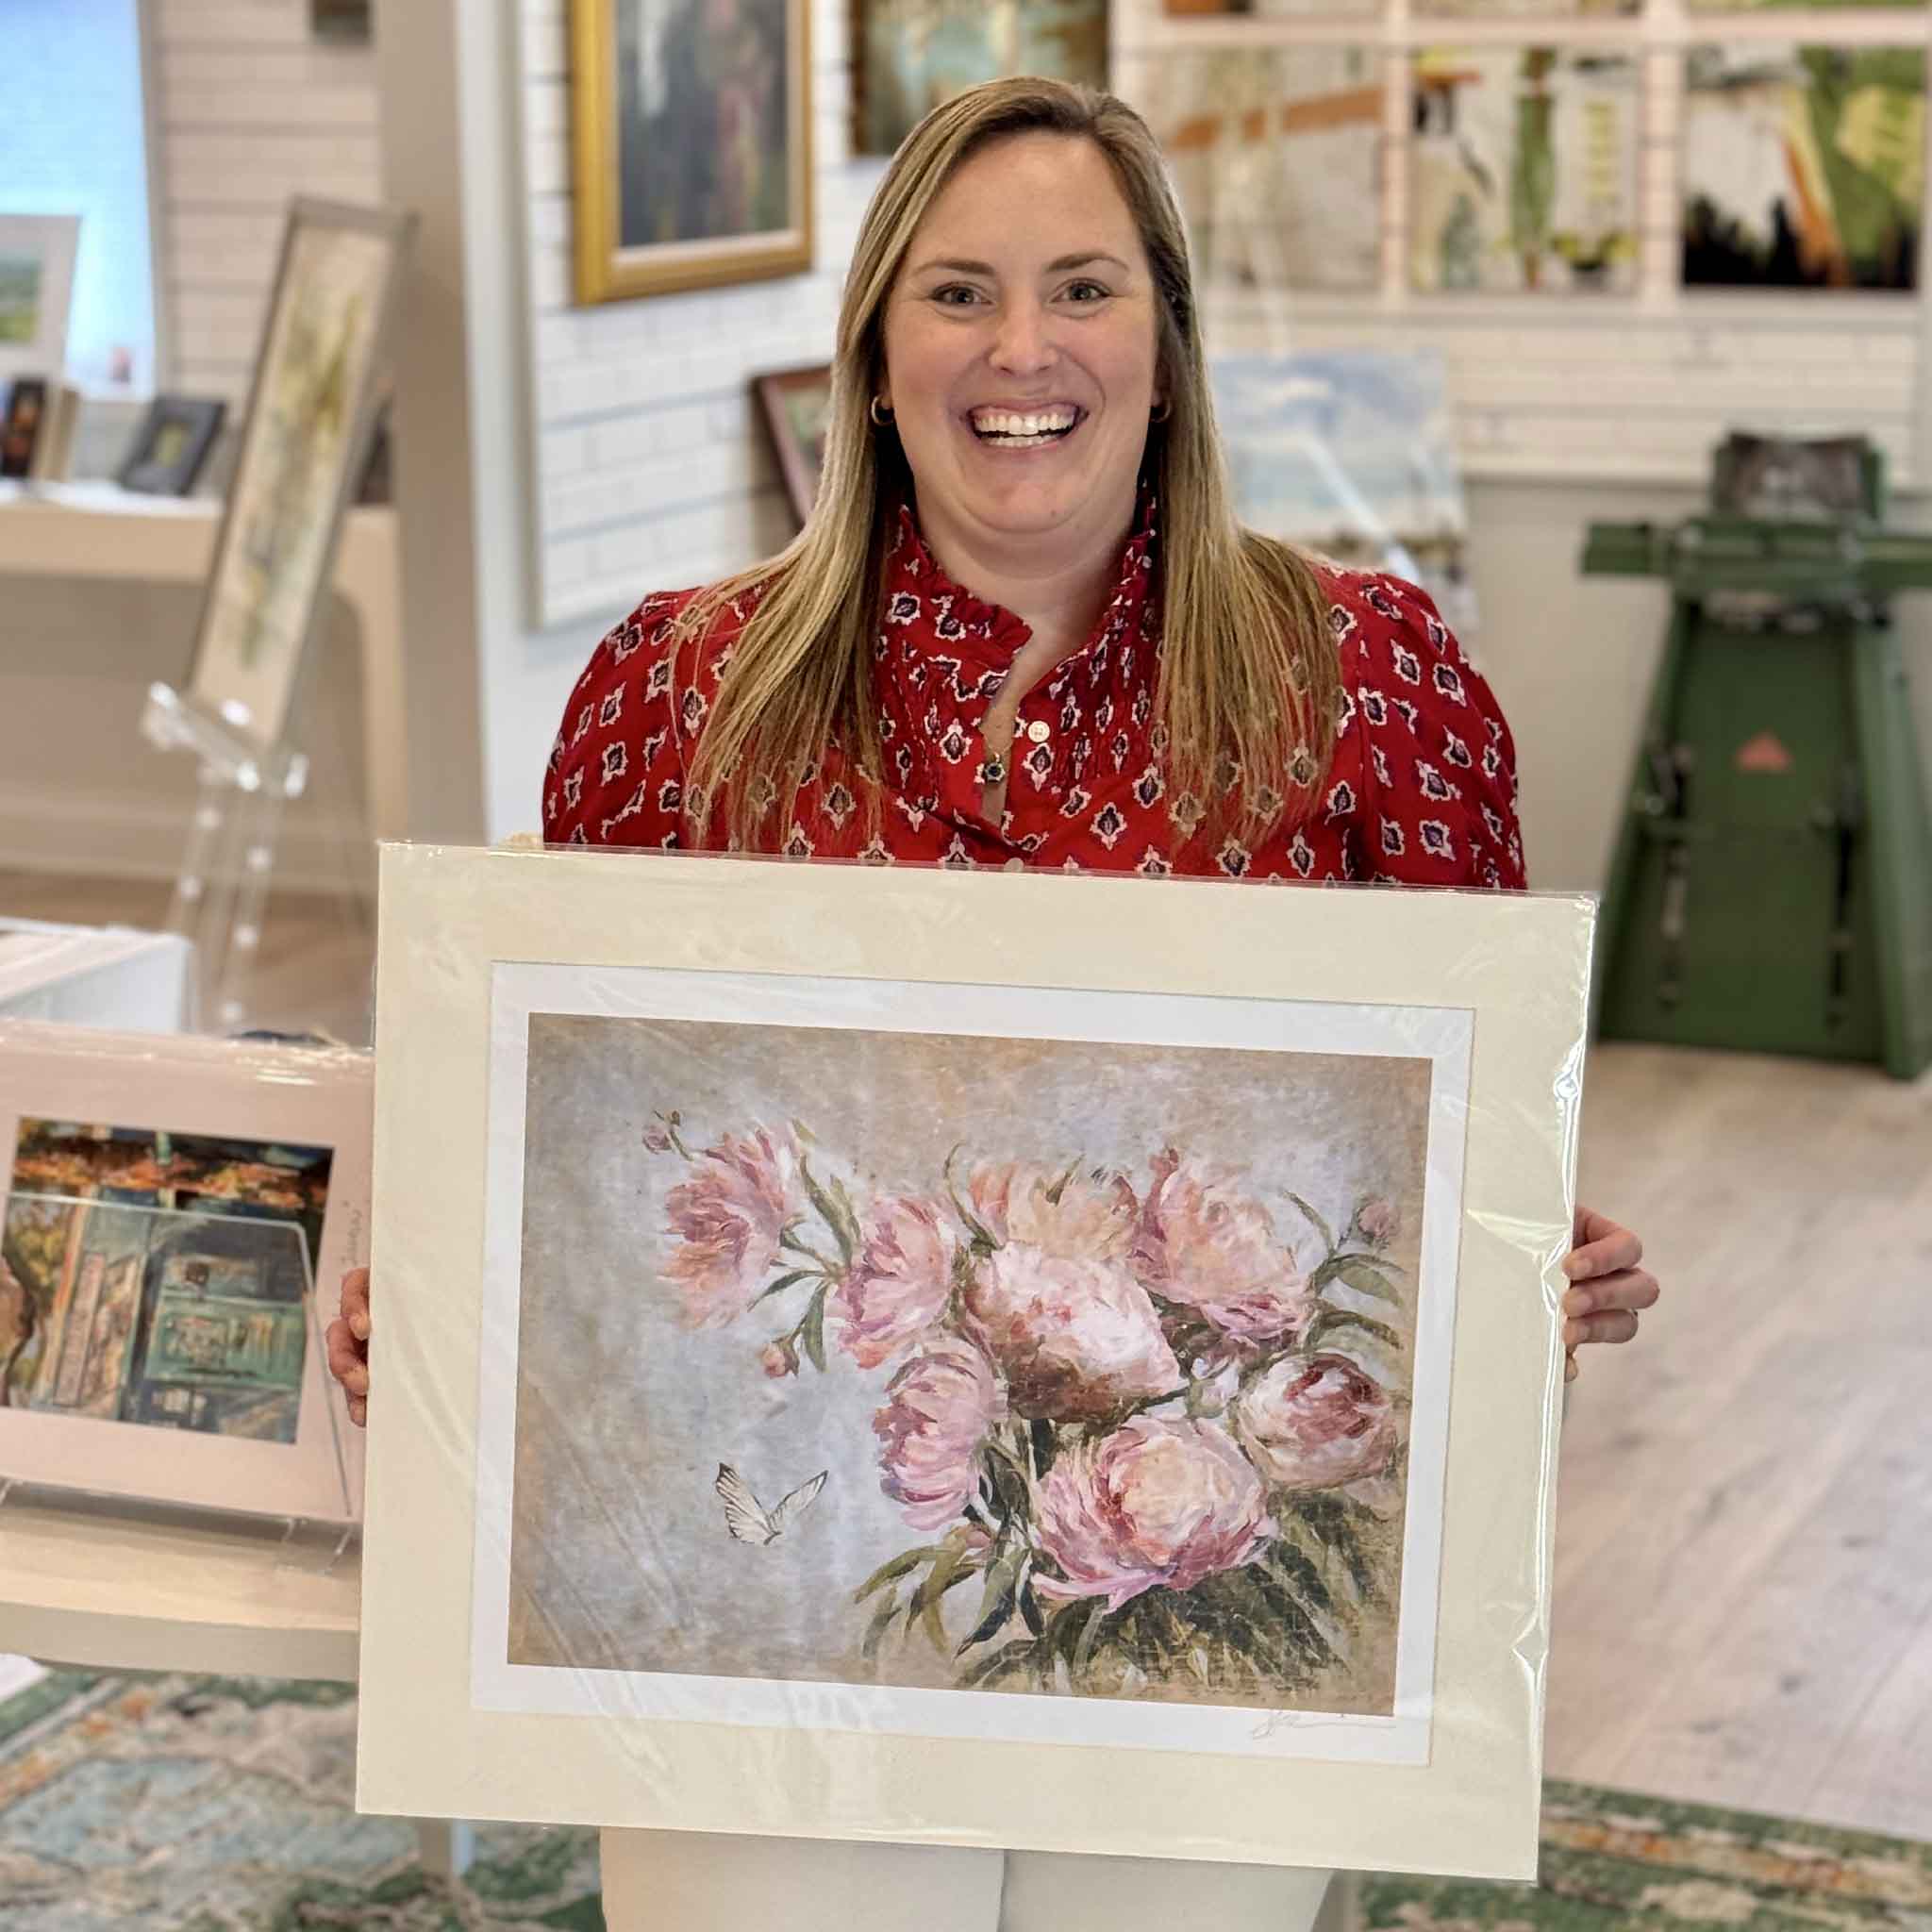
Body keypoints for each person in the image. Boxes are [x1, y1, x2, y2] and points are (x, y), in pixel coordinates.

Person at [328, 75, 1659, 1932]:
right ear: (871, 358)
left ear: (1169, 350)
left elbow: (1457, 1150)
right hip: (771, 1628)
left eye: (1082, 288)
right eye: (955, 292)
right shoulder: (669, 701)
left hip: (1206, 1623)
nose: (1018, 347)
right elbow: (595, 1169)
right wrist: (468, 1309)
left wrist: (1527, 1277)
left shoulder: (1365, 686)